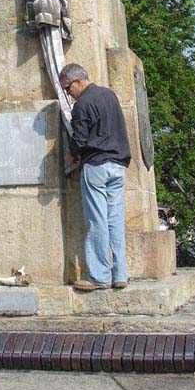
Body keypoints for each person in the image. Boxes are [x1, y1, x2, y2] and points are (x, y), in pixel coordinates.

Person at [59, 63, 131, 290]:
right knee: (116, 220)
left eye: (68, 88)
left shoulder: (83, 104)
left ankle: (99, 277)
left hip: (96, 166)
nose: (68, 94)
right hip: (117, 166)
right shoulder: (110, 95)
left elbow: (79, 139)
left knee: (97, 221)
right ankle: (120, 274)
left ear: (78, 81)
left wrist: (71, 156)